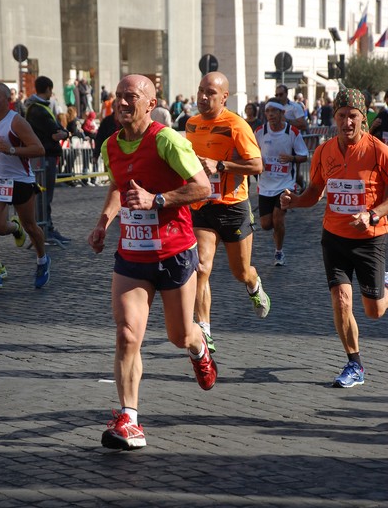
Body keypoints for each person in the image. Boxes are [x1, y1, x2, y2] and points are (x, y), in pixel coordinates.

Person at [88, 74, 217, 451]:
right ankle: (130, 419)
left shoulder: (166, 139)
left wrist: (157, 200)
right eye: (118, 97)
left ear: (150, 101)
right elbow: (117, 188)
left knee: (180, 335)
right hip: (132, 255)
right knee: (128, 335)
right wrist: (103, 222)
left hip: (174, 253)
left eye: (131, 97)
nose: (122, 104)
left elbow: (203, 188)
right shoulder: (111, 144)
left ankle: (199, 348)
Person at [280, 88, 388, 388]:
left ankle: (385, 282)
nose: (347, 122)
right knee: (341, 300)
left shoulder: (379, 151)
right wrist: (293, 201)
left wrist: (372, 215)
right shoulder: (324, 151)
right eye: (341, 116)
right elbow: (314, 193)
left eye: (353, 116)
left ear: (362, 119)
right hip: (334, 237)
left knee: (374, 311)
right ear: (335, 118)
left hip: (370, 238)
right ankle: (355, 364)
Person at [185, 71, 270, 354]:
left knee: (240, 271)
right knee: (201, 268)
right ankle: (204, 330)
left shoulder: (236, 125)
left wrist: (221, 166)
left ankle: (254, 285)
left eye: (210, 92)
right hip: (203, 205)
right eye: (200, 91)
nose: (203, 97)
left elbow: (257, 165)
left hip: (233, 207)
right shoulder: (192, 124)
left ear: (224, 97)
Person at [0, 82, 51, 289]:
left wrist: (12, 150)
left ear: (8, 101)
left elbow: (39, 149)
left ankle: (42, 259)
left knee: (31, 227)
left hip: (20, 181)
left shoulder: (16, 122)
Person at [255, 98, 308, 266]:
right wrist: (258, 161)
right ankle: (277, 233)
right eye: (268, 112)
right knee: (265, 224)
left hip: (285, 183)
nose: (270, 115)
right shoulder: (259, 131)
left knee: (278, 219)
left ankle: (279, 252)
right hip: (265, 185)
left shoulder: (292, 132)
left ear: (282, 113)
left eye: (274, 111)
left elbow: (304, 155)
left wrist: (291, 158)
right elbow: (252, 153)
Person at [25, 76, 71, 243]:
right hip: (45, 156)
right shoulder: (39, 109)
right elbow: (55, 133)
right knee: (45, 195)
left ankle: (45, 228)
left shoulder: (34, 107)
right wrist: (65, 133)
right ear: (49, 89)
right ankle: (45, 230)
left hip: (42, 155)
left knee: (43, 195)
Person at [275, 84, 308, 191]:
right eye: (277, 95)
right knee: (279, 171)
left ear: (286, 94)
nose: (279, 97)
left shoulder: (295, 107)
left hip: (292, 143)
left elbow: (303, 124)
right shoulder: (274, 108)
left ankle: (300, 185)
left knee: (293, 172)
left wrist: (287, 121)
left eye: (281, 94)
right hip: (278, 142)